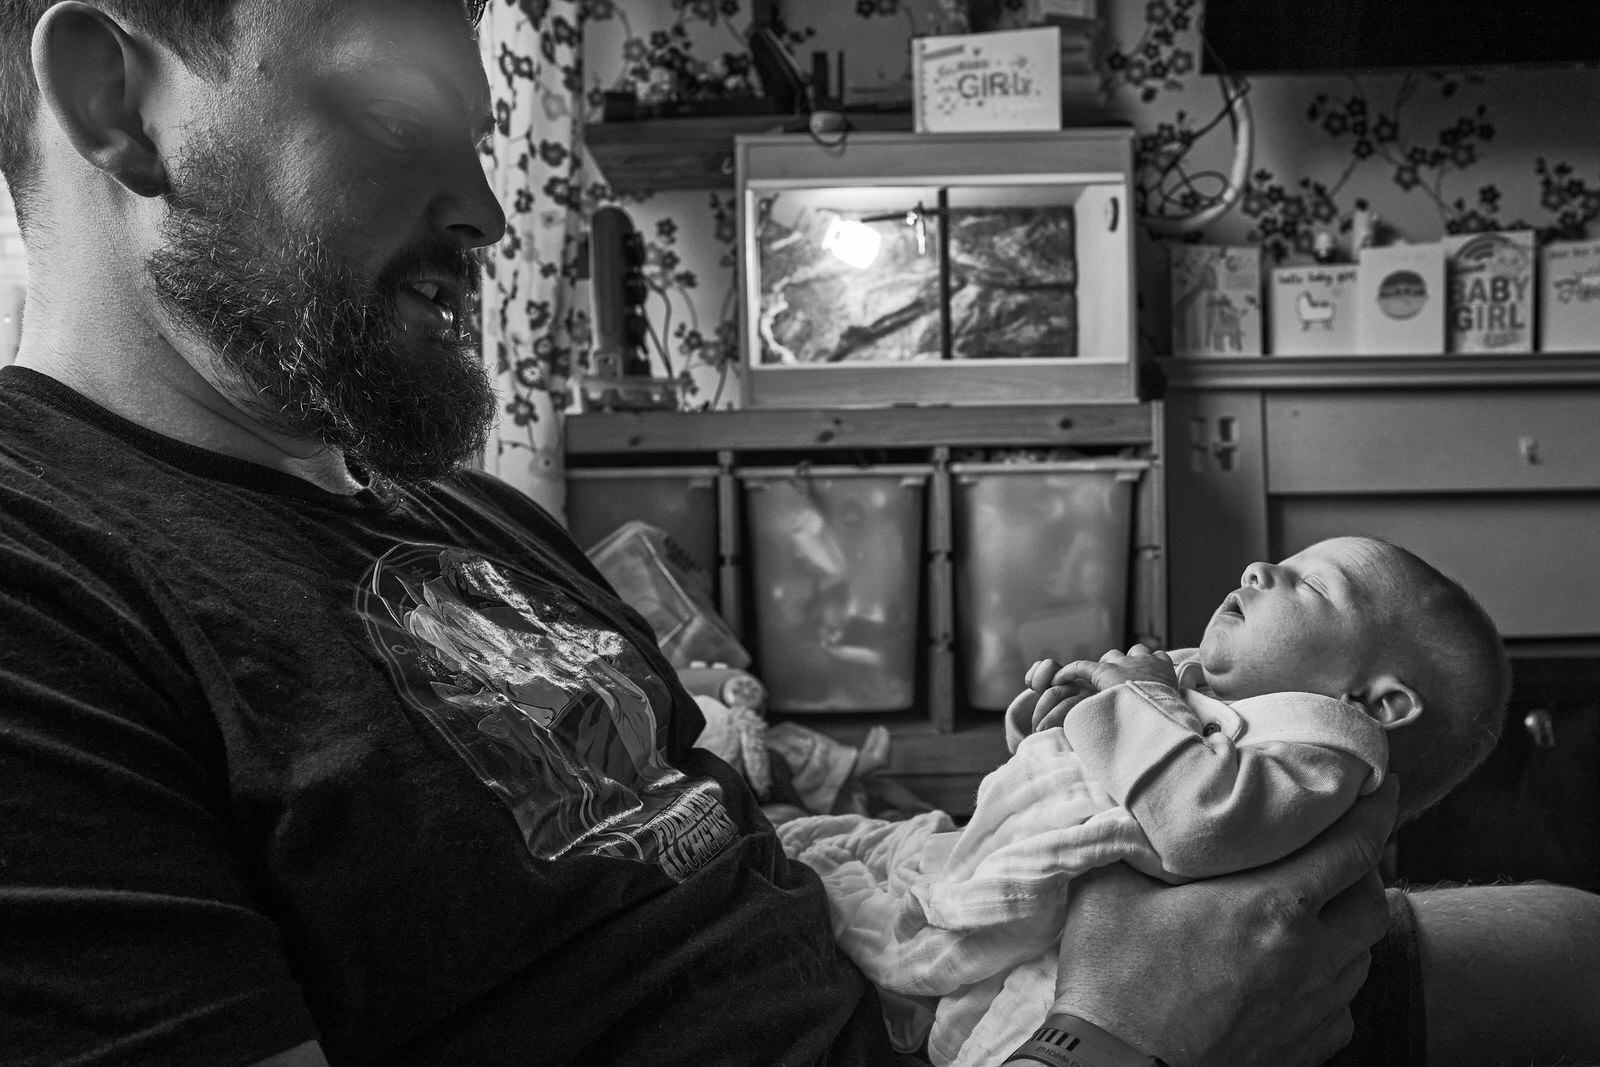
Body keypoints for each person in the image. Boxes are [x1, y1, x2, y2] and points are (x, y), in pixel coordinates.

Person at [0, 1, 1594, 1065]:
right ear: (112, 103)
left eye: (491, 138)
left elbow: (754, 855)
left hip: (944, 989)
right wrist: (1125, 1021)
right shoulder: (51, 586)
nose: (493, 210)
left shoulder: (471, 522)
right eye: (412, 112)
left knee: (1570, 942)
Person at [781, 536, 1506, 1065]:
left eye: (1311, 587)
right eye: (1283, 560)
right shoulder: (1202, 682)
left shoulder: (1321, 752)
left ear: (1377, 702)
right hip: (1036, 886)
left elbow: (1195, 818)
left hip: (1089, 958)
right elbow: (1087, 765)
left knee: (971, 1016)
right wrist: (1058, 715)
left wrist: (1138, 696)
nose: (1261, 567)